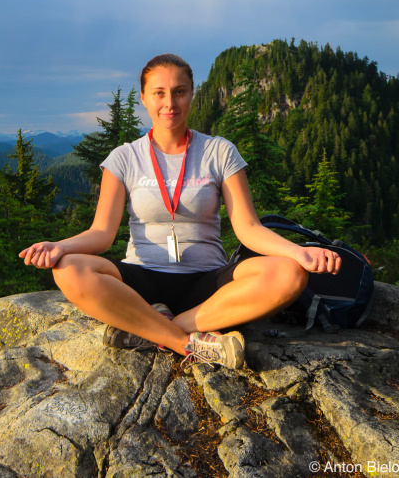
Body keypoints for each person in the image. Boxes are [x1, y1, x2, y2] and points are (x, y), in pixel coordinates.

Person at [19, 54, 340, 368]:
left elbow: (248, 227)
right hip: (141, 281)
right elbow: (101, 234)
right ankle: (186, 343)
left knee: (290, 274)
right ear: (143, 97)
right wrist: (59, 247)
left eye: (179, 91)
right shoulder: (124, 158)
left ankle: (148, 328)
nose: (169, 102)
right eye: (159, 93)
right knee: (68, 268)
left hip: (208, 284)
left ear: (191, 95)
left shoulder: (219, 152)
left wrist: (298, 252)